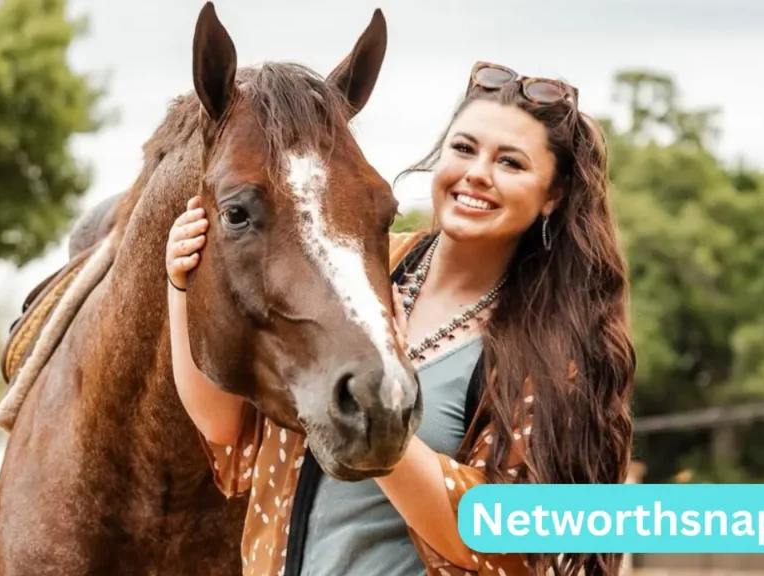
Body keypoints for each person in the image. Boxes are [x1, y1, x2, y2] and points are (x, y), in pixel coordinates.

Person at [164, 60, 636, 576]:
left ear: (553, 195)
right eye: (464, 148)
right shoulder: (351, 270)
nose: (478, 172)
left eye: (511, 163)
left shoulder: (550, 350)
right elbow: (228, 429)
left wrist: (380, 420)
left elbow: (511, 541)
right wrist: (182, 283)